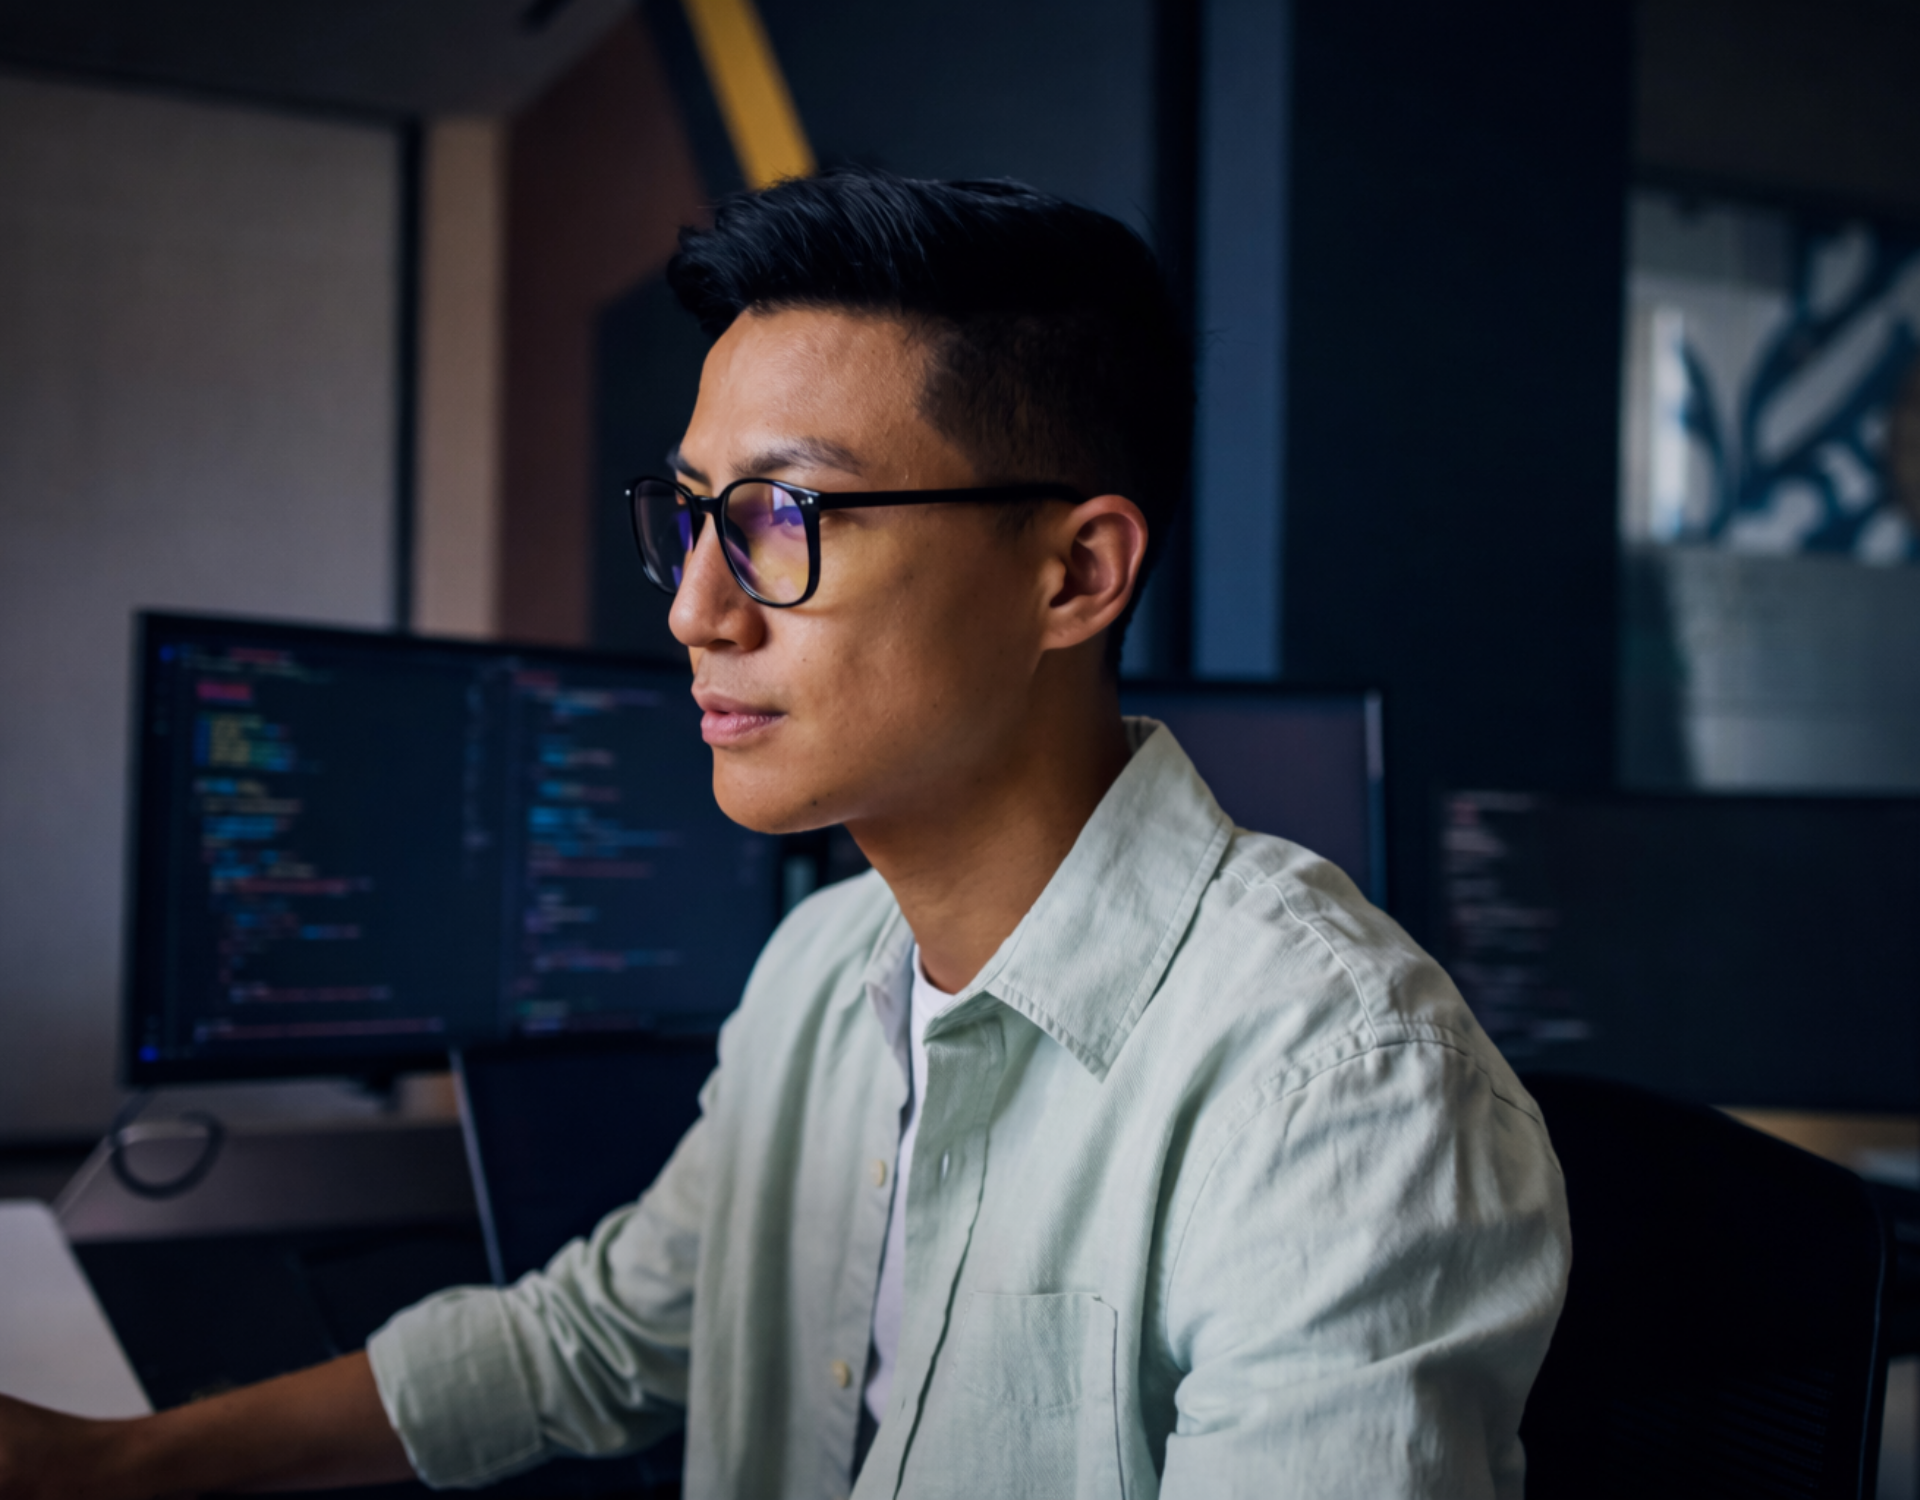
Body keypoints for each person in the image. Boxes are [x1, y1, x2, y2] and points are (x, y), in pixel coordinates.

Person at [0, 168, 1568, 1500]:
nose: (697, 608)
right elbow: (604, 1336)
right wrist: (112, 1466)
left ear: (1074, 576)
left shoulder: (1340, 1093)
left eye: (786, 518)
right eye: (696, 515)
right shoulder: (824, 968)